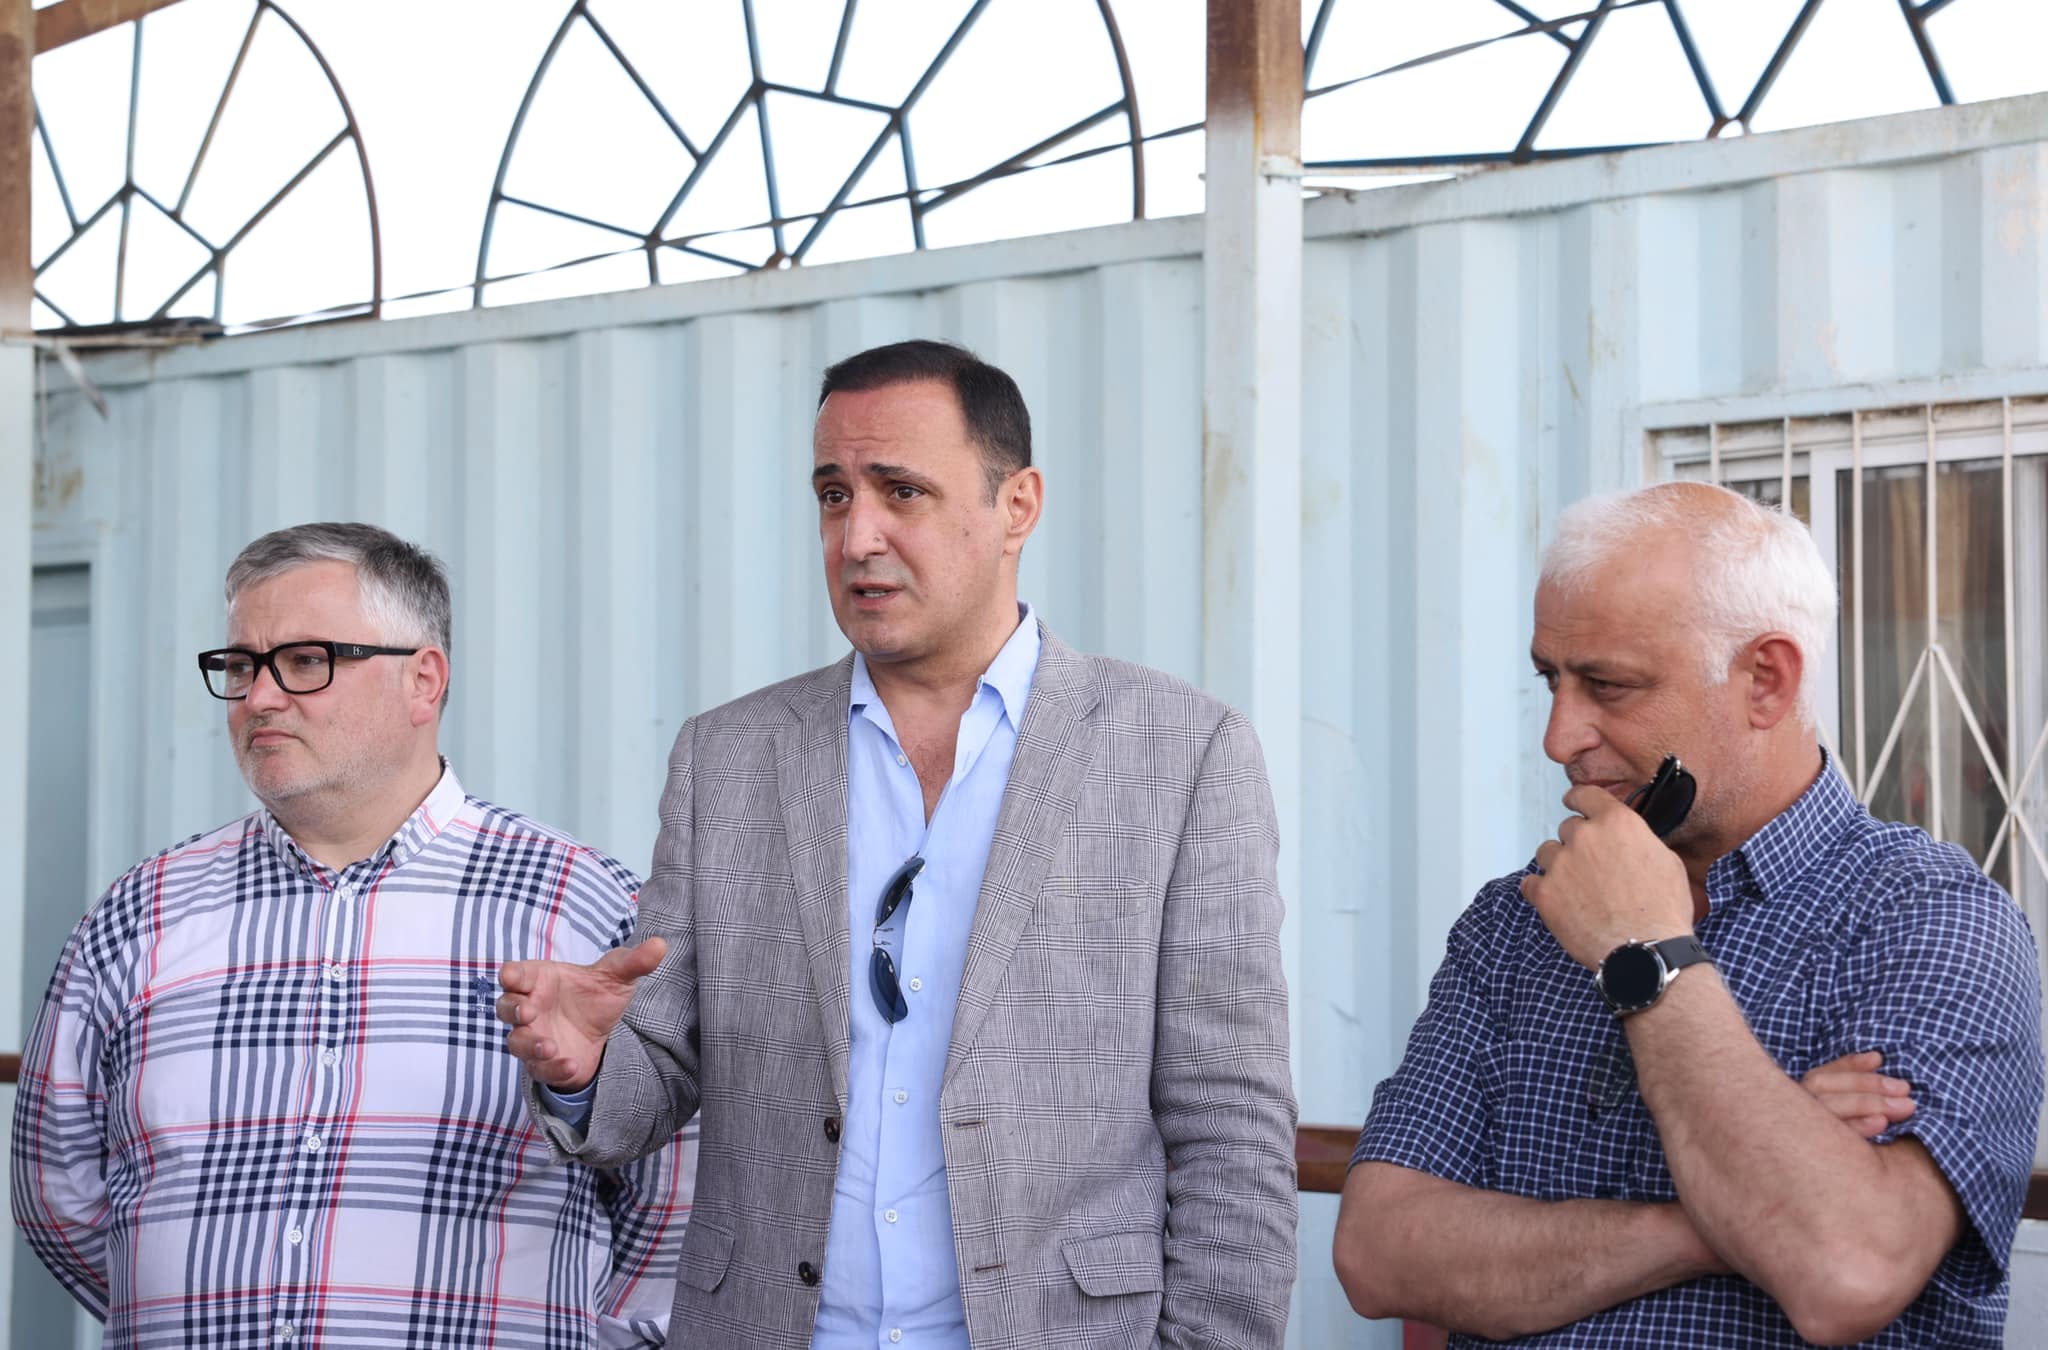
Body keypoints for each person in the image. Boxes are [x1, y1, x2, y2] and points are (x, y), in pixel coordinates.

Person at [495, 339, 1298, 1349]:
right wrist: (583, 1070)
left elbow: (1230, 1124)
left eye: (901, 491)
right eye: (833, 495)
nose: (856, 535)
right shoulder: (727, 758)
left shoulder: (1179, 752)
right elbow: (651, 1083)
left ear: (1017, 505)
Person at [1333, 481, 2045, 1346]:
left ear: (1766, 681)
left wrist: (1646, 947)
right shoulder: (1514, 922)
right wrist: (1727, 1214)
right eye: (1551, 679)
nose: (1559, 738)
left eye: (1609, 685)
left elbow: (1846, 1269)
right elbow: (1377, 1252)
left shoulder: (1930, 919)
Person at [11, 523, 693, 1349]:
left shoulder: (584, 909)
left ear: (423, 680)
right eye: (241, 666)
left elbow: (681, 1198)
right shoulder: (139, 914)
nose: (260, 698)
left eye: (305, 661)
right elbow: (59, 1192)